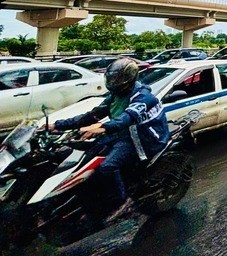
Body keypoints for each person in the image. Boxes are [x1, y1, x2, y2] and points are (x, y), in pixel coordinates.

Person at [52, 57, 169, 223]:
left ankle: (123, 203)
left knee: (107, 167)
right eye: (112, 78)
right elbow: (92, 115)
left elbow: (126, 118)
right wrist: (57, 125)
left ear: (129, 79)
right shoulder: (115, 95)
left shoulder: (143, 97)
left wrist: (102, 127)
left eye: (118, 79)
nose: (114, 81)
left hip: (141, 139)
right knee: (87, 159)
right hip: (120, 134)